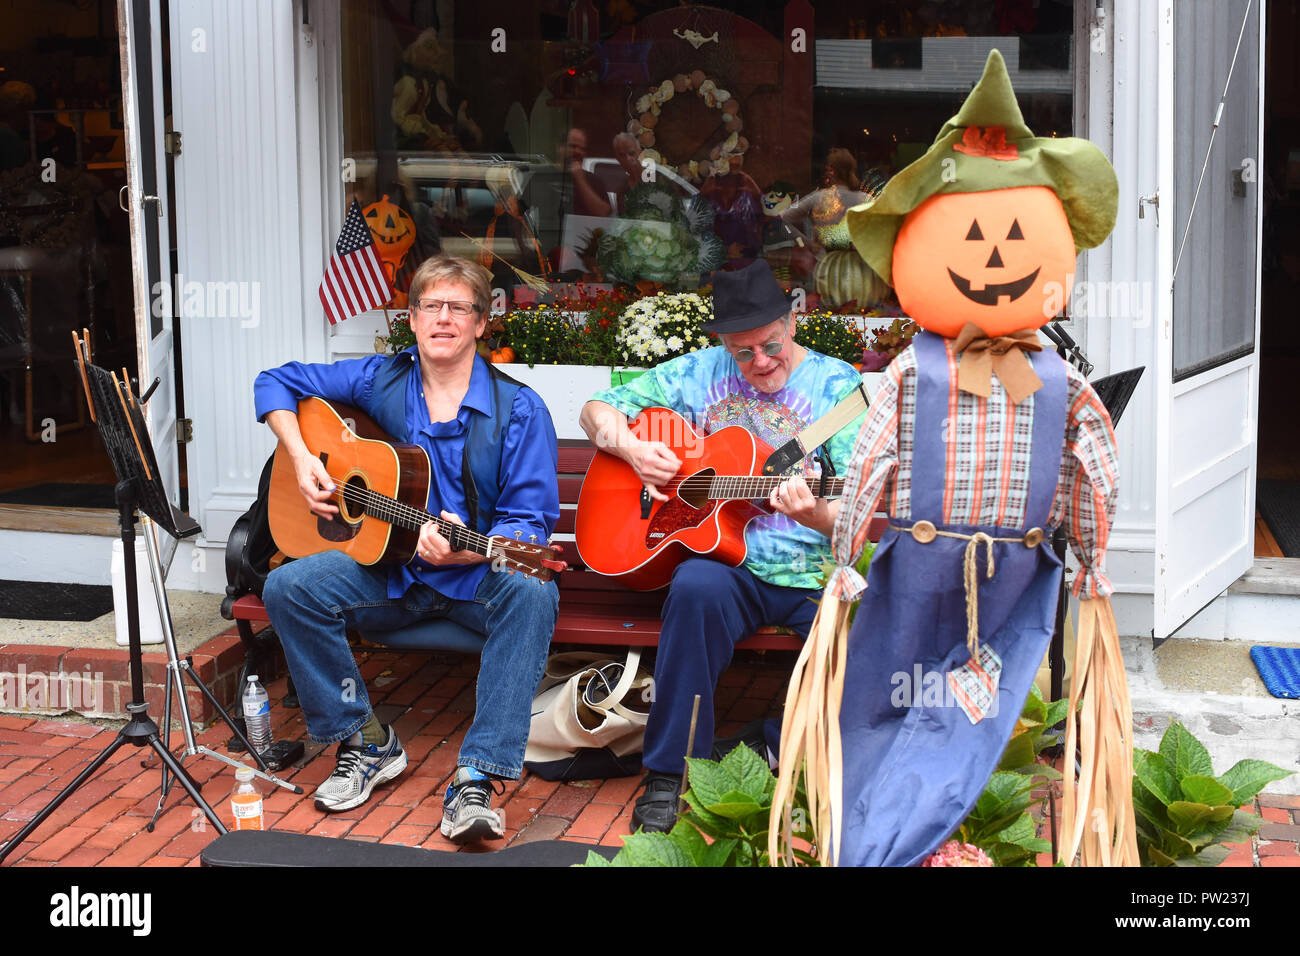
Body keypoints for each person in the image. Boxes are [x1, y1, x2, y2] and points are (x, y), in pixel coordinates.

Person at [254, 254, 560, 843]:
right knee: (288, 586)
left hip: (476, 581)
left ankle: (476, 777)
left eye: (459, 308)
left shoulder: (519, 409)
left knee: (532, 588)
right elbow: (276, 380)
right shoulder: (378, 379)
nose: (443, 318)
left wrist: (470, 551)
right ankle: (365, 741)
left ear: (480, 322)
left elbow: (528, 531)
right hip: (391, 572)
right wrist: (298, 458)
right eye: (431, 306)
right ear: (413, 317)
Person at [578, 259, 866, 832]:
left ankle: (763, 744)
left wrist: (814, 513)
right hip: (730, 563)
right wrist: (633, 450)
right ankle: (665, 776)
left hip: (814, 569)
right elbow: (593, 410)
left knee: (870, 643)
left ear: (794, 320)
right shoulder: (696, 373)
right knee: (693, 589)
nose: (760, 363)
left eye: (771, 345)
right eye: (743, 352)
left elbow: (856, 517)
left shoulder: (839, 391)